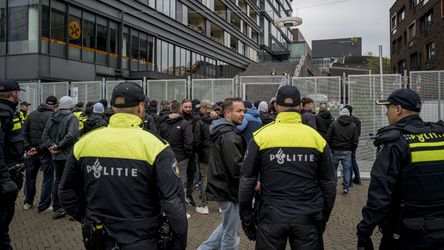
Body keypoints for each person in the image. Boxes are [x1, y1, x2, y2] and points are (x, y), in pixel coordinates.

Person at [59, 81, 187, 249]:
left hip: (97, 236)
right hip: (142, 238)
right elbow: (172, 203)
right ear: (141, 107)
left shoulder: (85, 142)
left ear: (113, 108)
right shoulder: (156, 146)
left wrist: (87, 218)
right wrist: (179, 243)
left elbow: (66, 192)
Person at [239, 85, 336, 250]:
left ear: (276, 106)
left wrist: (247, 219)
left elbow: (247, 182)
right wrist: (323, 216)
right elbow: (329, 183)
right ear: (299, 106)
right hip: (308, 217)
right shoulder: (316, 139)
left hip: (271, 217)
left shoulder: (261, 136)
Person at [357, 89, 444, 250]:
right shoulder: (440, 137)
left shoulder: (396, 143)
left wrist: (364, 230)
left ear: (398, 109)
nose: (386, 114)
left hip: (406, 234)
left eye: (388, 108)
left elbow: (380, 196)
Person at [198, 98, 245, 250]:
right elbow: (236, 167)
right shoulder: (229, 136)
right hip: (229, 189)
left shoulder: (226, 132)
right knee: (231, 236)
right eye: (239, 111)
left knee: (228, 226)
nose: (243, 114)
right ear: (228, 113)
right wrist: (252, 183)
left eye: (244, 110)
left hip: (225, 187)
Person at [42, 96, 79, 219]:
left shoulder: (52, 116)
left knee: (57, 181)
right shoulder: (72, 118)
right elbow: (72, 135)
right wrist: (59, 146)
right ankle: (69, 208)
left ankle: (57, 207)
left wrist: (52, 146)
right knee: (70, 182)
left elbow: (45, 134)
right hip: (68, 155)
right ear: (71, 106)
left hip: (56, 156)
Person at [0, 79, 25, 249]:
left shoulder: (9, 111)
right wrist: (4, 179)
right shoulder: (3, 113)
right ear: (14, 93)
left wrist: (22, 154)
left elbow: (8, 143)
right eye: (19, 92)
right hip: (5, 180)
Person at [22, 96, 58, 213]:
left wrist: (29, 147)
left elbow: (24, 133)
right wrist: (38, 148)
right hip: (45, 153)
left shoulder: (31, 114)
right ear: (55, 105)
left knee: (30, 178)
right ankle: (43, 205)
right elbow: (51, 137)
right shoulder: (52, 117)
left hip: (31, 152)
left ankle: (28, 201)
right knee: (47, 179)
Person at [158, 101, 193, 204]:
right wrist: (187, 155)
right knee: (181, 182)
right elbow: (189, 141)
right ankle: (181, 207)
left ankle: (168, 206)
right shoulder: (185, 124)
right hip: (181, 158)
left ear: (170, 109)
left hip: (167, 158)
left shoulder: (163, 124)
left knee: (168, 181)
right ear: (180, 109)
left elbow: (160, 140)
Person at [326, 108, 358, 195]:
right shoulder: (353, 125)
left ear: (340, 114)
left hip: (335, 150)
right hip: (347, 151)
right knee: (347, 170)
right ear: (348, 114)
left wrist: (330, 147)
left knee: (334, 169)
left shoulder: (334, 124)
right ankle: (346, 188)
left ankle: (334, 186)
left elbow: (328, 137)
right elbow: (355, 140)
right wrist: (352, 149)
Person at [194, 100, 216, 214]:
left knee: (204, 179)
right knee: (218, 179)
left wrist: (197, 151)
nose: (200, 110)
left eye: (201, 108)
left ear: (205, 108)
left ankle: (204, 205)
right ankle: (221, 206)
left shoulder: (200, 122)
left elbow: (197, 140)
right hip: (216, 154)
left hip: (204, 155)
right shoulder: (216, 121)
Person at [343, 104, 362, 185]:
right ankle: (357, 178)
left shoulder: (344, 120)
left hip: (346, 144)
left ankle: (349, 180)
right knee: (353, 160)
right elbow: (358, 134)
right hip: (354, 143)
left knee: (349, 161)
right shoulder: (357, 121)